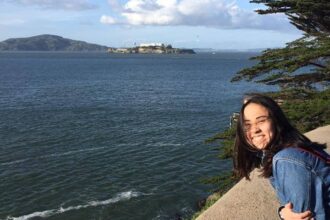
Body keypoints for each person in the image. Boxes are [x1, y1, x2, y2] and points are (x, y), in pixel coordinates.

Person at [233, 94, 330, 220]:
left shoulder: (286, 159)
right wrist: (282, 213)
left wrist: (284, 215)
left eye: (261, 120)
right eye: (247, 125)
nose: (255, 129)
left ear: (276, 121)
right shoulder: (292, 147)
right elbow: (290, 211)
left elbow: (300, 216)